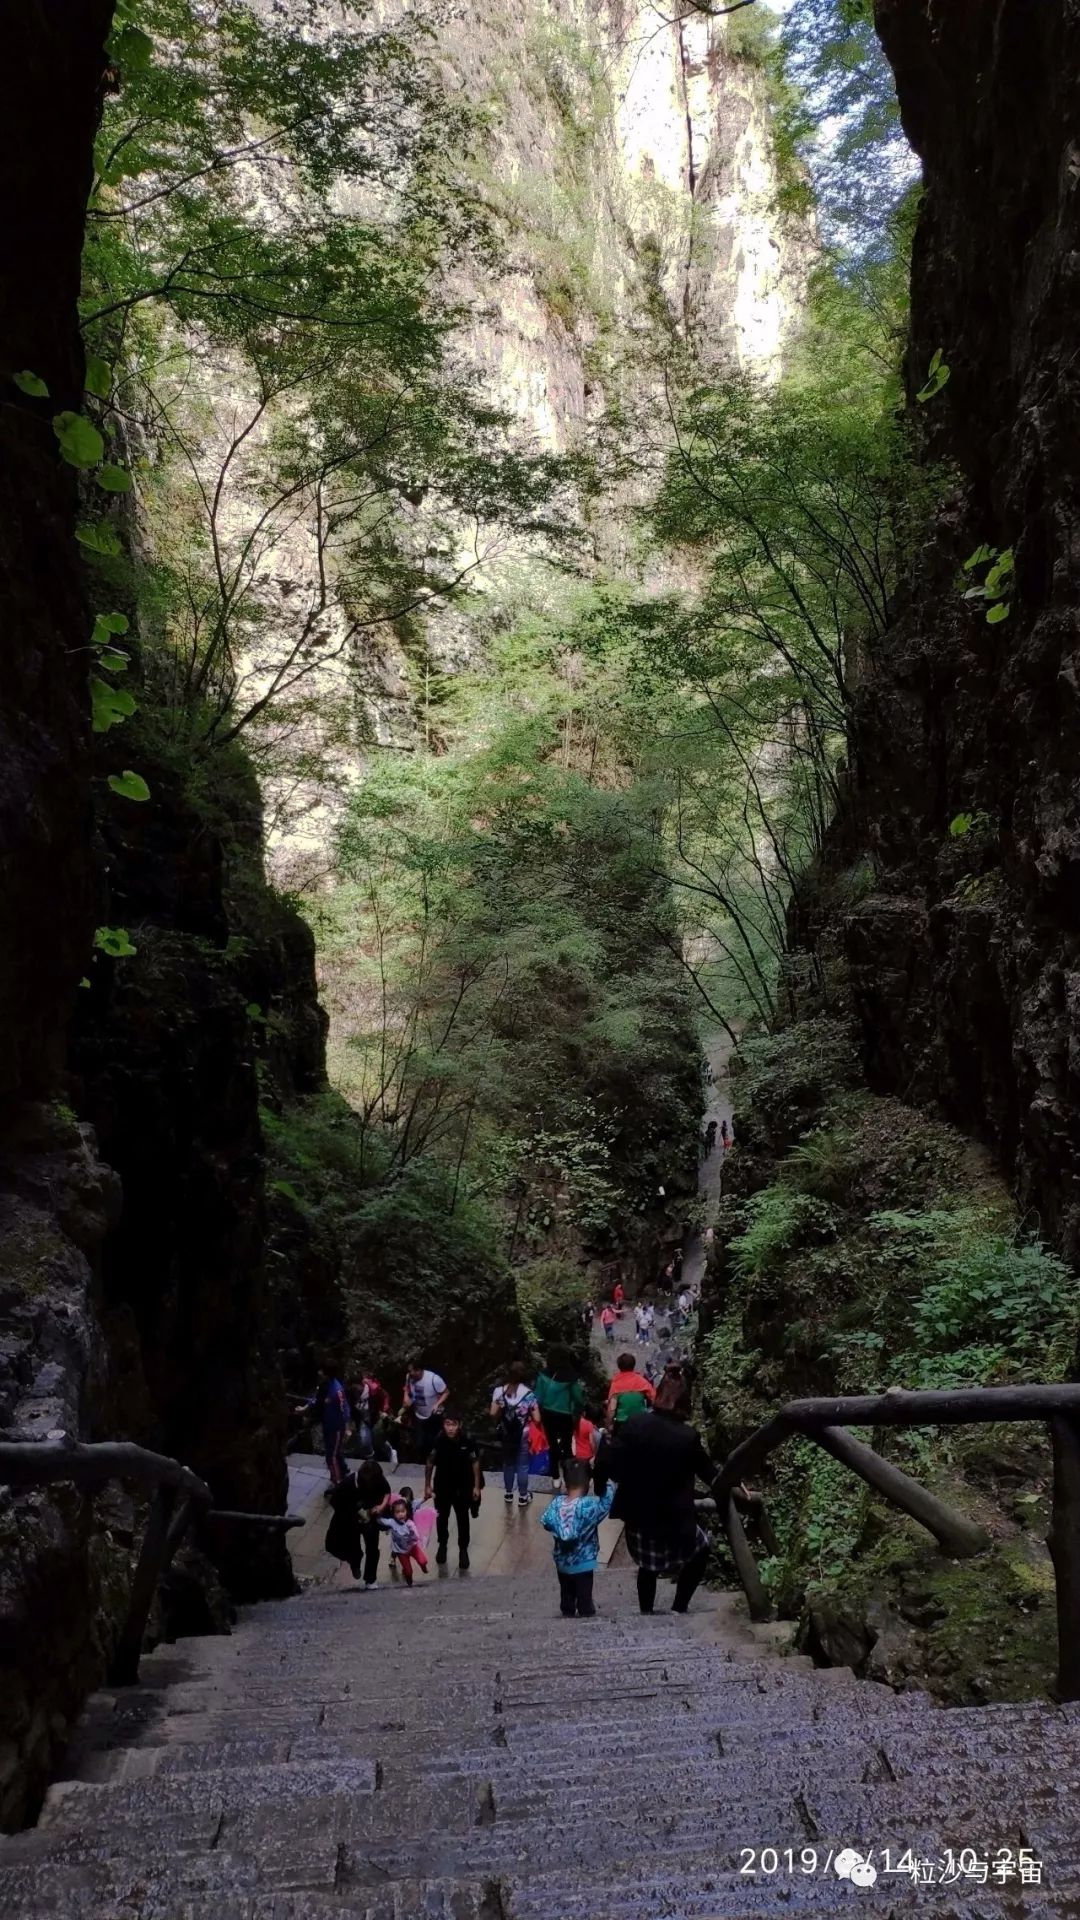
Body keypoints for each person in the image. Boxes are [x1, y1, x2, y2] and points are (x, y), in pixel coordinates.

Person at [596, 1364, 716, 1615]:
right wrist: (734, 1484)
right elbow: (708, 1471)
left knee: (648, 1567)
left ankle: (646, 1613)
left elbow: (607, 1457)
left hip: (639, 1516)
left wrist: (599, 1487)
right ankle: (679, 1607)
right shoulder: (688, 1436)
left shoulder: (635, 1424)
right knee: (701, 1549)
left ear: (658, 1394)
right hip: (675, 1520)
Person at [540, 1462, 616, 1618]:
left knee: (566, 1591)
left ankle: (567, 1611)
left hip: (562, 1563)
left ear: (566, 1483)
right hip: (584, 1562)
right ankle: (586, 1611)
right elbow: (606, 1503)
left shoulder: (556, 1504)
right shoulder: (588, 1506)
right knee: (584, 1594)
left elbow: (545, 1520)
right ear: (588, 1483)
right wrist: (606, 1480)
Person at [424, 1410, 483, 1570]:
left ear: (459, 1425)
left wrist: (476, 1486)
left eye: (453, 1424)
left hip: (463, 1485)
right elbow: (430, 1462)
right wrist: (427, 1485)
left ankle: (463, 1549)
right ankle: (442, 1545)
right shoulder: (438, 1440)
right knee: (441, 1518)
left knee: (463, 1519)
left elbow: (475, 1462)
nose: (450, 1428)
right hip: (442, 1485)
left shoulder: (468, 1440)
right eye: (447, 1424)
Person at [324, 1454, 392, 1588]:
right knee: (351, 1547)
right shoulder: (347, 1485)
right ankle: (355, 1562)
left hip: (370, 1518)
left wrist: (381, 1506)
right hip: (351, 1520)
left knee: (373, 1548)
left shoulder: (378, 1478)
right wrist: (353, 1514)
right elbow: (335, 1502)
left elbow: (387, 1491)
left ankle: (370, 1579)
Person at [295, 1361, 351, 1489]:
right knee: (334, 1452)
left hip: (337, 1427)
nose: (319, 1373)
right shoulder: (323, 1386)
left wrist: (346, 1427)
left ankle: (337, 1483)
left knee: (331, 1456)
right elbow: (316, 1399)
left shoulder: (337, 1390)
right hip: (327, 1424)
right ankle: (343, 1470)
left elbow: (344, 1408)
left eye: (321, 1371)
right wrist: (304, 1408)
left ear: (326, 1374)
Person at [535, 1352, 586, 1491]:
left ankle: (555, 1477)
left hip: (548, 1413)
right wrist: (577, 1411)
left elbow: (538, 1396)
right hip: (565, 1415)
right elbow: (578, 1399)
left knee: (552, 1445)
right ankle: (570, 1476)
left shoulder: (544, 1375)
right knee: (567, 1445)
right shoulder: (571, 1379)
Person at [490, 1361, 537, 1508]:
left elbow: (492, 1413)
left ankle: (509, 1493)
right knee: (522, 1466)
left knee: (508, 1464)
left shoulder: (499, 1391)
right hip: (522, 1433)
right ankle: (523, 1496)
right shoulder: (529, 1394)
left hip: (506, 1433)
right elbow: (537, 1418)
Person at [401, 1358, 449, 1458]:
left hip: (433, 1416)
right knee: (420, 1443)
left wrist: (437, 1404)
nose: (409, 1373)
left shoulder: (434, 1379)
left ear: (418, 1370)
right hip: (418, 1415)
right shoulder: (409, 1377)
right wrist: (406, 1395)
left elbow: (446, 1392)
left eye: (411, 1371)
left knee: (434, 1442)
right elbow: (407, 1388)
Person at [379, 1497, 429, 1585]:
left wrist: (414, 1534)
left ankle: (423, 1567)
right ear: (393, 1514)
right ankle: (409, 1580)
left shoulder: (409, 1523)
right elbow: (382, 1521)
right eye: (397, 1512)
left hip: (413, 1547)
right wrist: (376, 1514)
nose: (401, 1514)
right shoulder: (392, 1522)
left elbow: (416, 1534)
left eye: (403, 1511)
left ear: (406, 1511)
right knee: (408, 1571)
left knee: (423, 1561)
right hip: (401, 1551)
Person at [605, 1352, 656, 1431]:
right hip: (641, 1423)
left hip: (622, 1424)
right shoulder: (642, 1381)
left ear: (619, 1366)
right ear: (633, 1365)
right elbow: (655, 1399)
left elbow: (612, 1409)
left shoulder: (616, 1384)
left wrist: (609, 1425)